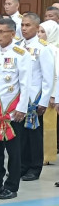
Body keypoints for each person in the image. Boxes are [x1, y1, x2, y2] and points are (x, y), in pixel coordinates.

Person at [0, 18, 31, 200]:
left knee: (13, 151)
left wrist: (21, 108)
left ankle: (11, 186)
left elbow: (26, 85)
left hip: (11, 111)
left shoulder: (21, 54)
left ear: (12, 33)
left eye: (2, 32)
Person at [17, 13, 54, 181]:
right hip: (19, 98)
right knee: (20, 135)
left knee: (34, 135)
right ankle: (22, 166)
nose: (24, 28)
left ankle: (34, 167)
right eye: (22, 25)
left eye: (28, 25)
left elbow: (47, 77)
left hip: (34, 98)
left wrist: (43, 100)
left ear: (37, 28)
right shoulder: (17, 47)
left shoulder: (43, 48)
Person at [39, 20, 59, 166]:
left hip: (50, 93)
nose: (39, 34)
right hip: (39, 92)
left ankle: (47, 154)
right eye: (39, 31)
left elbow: (56, 75)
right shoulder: (40, 47)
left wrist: (53, 94)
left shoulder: (54, 49)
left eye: (42, 32)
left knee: (49, 125)